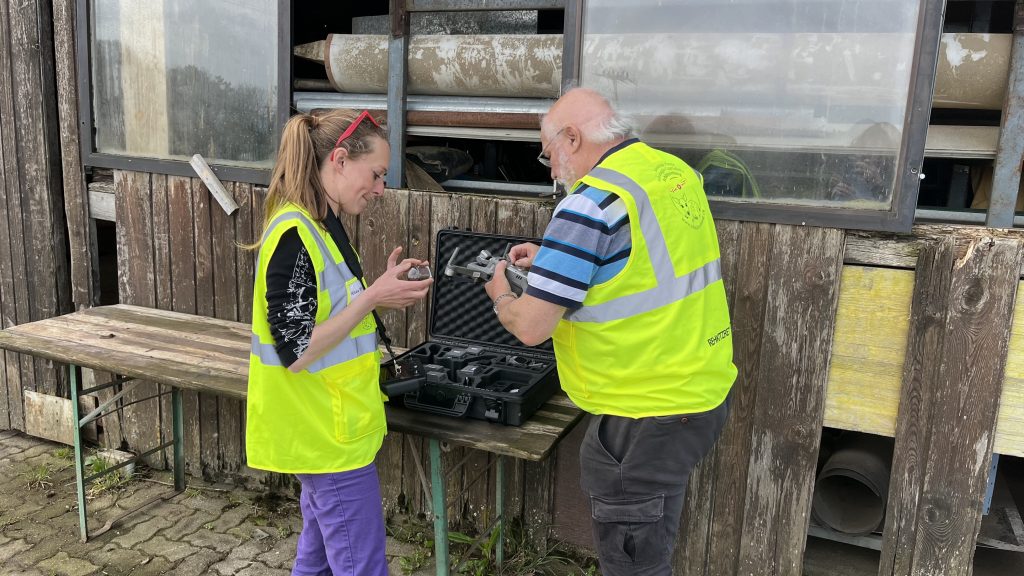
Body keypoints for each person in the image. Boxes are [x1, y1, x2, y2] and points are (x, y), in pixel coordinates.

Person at [484, 88, 737, 576]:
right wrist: (558, 261)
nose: (552, 168)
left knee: (634, 565)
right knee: (650, 545)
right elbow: (647, 266)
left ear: (573, 138)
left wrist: (501, 293)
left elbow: (532, 327)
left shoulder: (591, 203)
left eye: (548, 152)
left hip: (643, 410)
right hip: (696, 392)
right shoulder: (672, 173)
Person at [246, 109, 432, 576]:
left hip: (329, 430)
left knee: (319, 560)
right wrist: (373, 296)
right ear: (341, 160)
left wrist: (379, 293)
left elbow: (332, 317)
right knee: (359, 566)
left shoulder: (320, 223)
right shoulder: (296, 233)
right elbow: (297, 351)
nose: (380, 189)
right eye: (376, 174)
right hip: (325, 437)